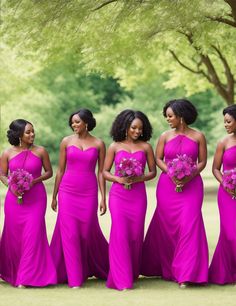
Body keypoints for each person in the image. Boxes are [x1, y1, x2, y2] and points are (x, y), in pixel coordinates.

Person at [142, 99, 208, 288]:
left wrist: (190, 175)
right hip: (167, 186)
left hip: (192, 186)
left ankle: (186, 273)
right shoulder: (164, 136)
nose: (168, 119)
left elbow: (202, 161)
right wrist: (171, 172)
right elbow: (158, 158)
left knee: (189, 225)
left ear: (181, 116)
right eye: (167, 116)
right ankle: (169, 269)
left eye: (170, 116)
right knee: (169, 226)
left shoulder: (198, 136)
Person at [50, 108, 109, 288]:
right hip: (68, 191)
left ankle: (90, 268)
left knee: (85, 232)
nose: (74, 125)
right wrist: (54, 196)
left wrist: (103, 197)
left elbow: (101, 172)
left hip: (89, 191)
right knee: (70, 233)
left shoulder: (99, 143)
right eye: (72, 122)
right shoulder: (66, 142)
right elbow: (60, 170)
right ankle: (74, 278)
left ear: (86, 122)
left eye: (77, 122)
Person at [103, 109, 156, 290]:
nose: (137, 132)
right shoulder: (114, 146)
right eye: (134, 128)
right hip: (118, 196)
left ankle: (131, 272)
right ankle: (120, 279)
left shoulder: (146, 147)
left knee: (134, 235)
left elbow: (152, 172)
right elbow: (104, 171)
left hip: (138, 195)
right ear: (125, 126)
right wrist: (119, 179)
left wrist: (137, 178)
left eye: (140, 129)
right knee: (119, 233)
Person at [0, 119, 57, 287]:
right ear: (18, 135)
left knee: (32, 235)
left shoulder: (41, 151)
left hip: (36, 198)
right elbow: (2, 173)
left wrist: (34, 181)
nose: (32, 134)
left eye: (33, 131)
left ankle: (26, 278)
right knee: (15, 236)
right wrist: (11, 184)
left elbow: (49, 172)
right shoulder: (7, 153)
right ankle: (13, 272)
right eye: (28, 132)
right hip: (14, 200)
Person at [209, 104, 236, 284]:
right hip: (227, 194)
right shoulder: (223, 142)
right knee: (230, 234)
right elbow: (216, 169)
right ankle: (225, 272)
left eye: (228, 121)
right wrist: (226, 184)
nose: (225, 125)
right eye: (224, 121)